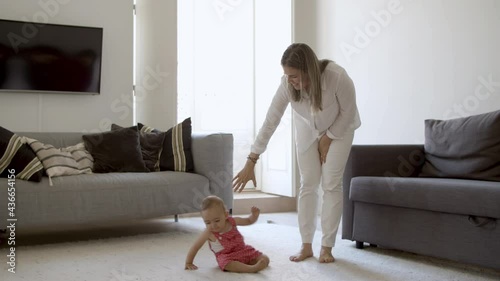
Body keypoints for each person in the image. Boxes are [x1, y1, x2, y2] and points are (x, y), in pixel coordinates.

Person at [232, 43, 361, 263]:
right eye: (286, 75)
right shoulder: (286, 85)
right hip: (307, 129)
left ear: (308, 69)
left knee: (331, 183)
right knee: (308, 183)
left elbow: (348, 113)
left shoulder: (337, 77)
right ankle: (306, 245)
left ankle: (327, 247)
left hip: (340, 128)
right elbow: (270, 121)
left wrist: (328, 138)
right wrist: (252, 159)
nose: (289, 80)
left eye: (293, 75)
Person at [185, 195, 270, 273]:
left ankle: (251, 263)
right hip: (227, 257)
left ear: (225, 215)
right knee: (228, 264)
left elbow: (248, 221)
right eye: (207, 222)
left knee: (265, 258)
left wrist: (254, 216)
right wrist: (189, 262)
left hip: (242, 250)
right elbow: (195, 247)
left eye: (217, 220)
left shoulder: (232, 221)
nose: (213, 225)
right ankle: (251, 268)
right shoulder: (208, 233)